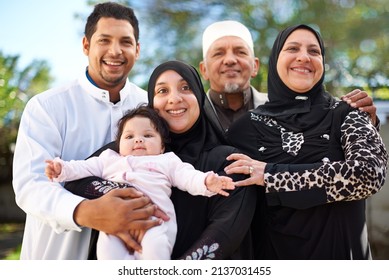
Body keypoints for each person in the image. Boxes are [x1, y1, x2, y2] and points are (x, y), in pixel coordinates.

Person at [12, 2, 165, 260]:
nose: (115, 51)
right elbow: (31, 185)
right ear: (86, 45)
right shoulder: (47, 106)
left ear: (137, 50)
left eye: (125, 42)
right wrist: (86, 211)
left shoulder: (151, 106)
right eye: (104, 40)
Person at [224, 24, 388, 259]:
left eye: (314, 51)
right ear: (275, 59)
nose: (303, 57)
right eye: (292, 48)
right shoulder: (244, 129)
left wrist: (272, 176)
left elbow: (369, 174)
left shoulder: (348, 112)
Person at [65, 60, 257, 260]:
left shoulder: (229, 161)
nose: (174, 98)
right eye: (162, 91)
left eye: (185, 88)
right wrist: (123, 203)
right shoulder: (127, 151)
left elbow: (226, 233)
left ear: (199, 96)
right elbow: (74, 181)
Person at [44, 105, 235, 260]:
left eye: (148, 135)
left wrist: (207, 181)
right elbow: (82, 168)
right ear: (119, 146)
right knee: (107, 250)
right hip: (115, 223)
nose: (138, 140)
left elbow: (187, 176)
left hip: (155, 223)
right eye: (129, 136)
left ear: (161, 146)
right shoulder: (108, 159)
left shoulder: (167, 161)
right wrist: (62, 169)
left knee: (156, 250)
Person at [199, 20, 379, 133]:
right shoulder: (191, 116)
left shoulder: (288, 108)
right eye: (218, 54)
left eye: (239, 52)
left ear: (255, 66)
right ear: (203, 70)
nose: (230, 60)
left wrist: (366, 123)